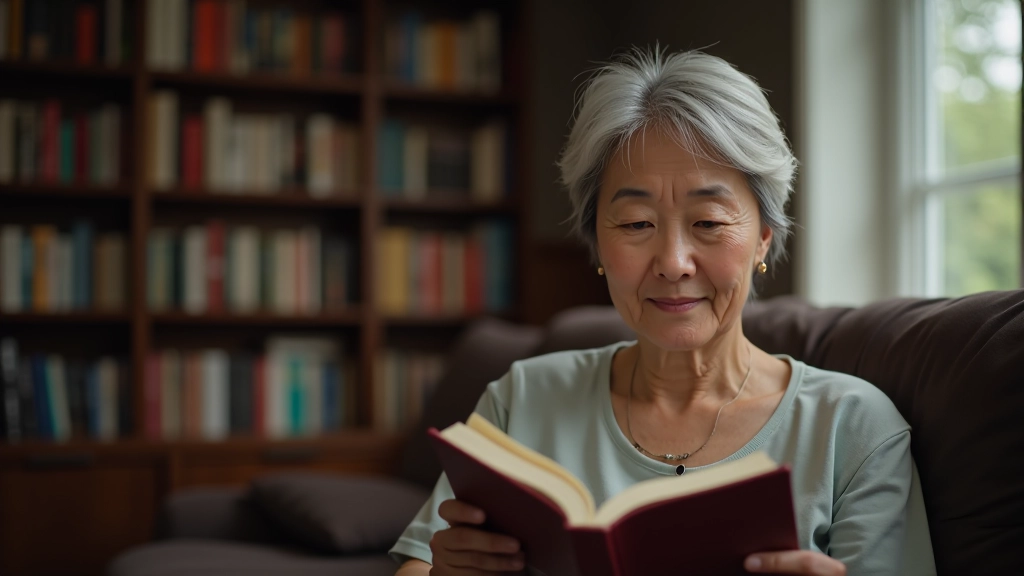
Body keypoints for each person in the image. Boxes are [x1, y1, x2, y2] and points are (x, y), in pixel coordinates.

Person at [390, 47, 936, 576]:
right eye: (634, 224)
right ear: (597, 245)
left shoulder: (854, 428)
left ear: (764, 239)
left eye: (709, 222)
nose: (673, 263)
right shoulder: (521, 400)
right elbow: (422, 563)